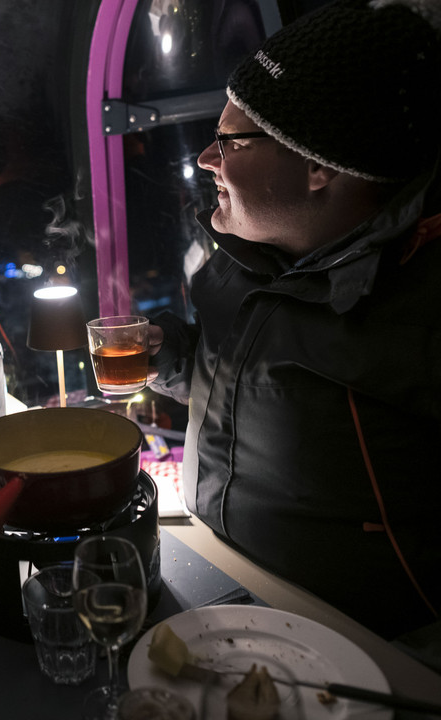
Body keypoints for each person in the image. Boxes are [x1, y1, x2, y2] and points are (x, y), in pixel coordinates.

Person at [147, 0, 441, 640]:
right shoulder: (248, 259)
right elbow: (256, 377)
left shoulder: (419, 304)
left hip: (363, 654)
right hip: (216, 585)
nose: (205, 158)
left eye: (230, 140)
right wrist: (174, 358)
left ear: (319, 166)